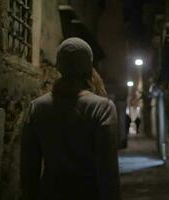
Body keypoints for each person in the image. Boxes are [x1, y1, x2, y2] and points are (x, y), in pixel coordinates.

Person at [21, 38, 120, 200]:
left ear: (59, 66)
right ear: (89, 66)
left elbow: (28, 170)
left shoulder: (37, 107)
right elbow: (108, 173)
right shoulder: (102, 108)